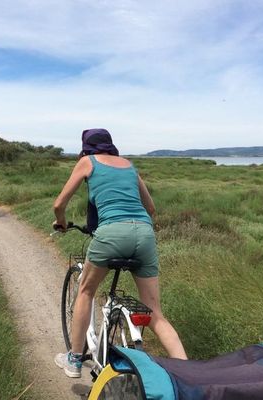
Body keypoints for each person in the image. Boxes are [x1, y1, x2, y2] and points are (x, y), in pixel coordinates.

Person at [53, 129, 187, 379]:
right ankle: (188, 372)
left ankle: (73, 359)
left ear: (86, 147)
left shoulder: (87, 161)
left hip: (111, 234)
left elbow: (59, 204)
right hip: (145, 235)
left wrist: (61, 222)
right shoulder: (129, 165)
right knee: (155, 312)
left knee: (86, 291)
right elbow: (151, 207)